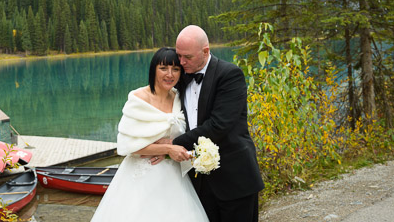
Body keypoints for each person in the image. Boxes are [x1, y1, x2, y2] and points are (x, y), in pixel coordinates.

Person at [91, 47, 209, 221]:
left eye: (175, 69)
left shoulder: (179, 97)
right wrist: (167, 149)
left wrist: (171, 150)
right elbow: (127, 147)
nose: (170, 74)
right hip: (141, 177)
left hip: (174, 178)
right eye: (163, 68)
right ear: (153, 69)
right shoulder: (138, 99)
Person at [170, 25, 264, 222]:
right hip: (198, 184)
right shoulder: (180, 77)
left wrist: (170, 145)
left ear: (205, 51)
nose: (181, 62)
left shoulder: (230, 75)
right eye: (178, 55)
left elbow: (218, 126)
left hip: (235, 180)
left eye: (187, 57)